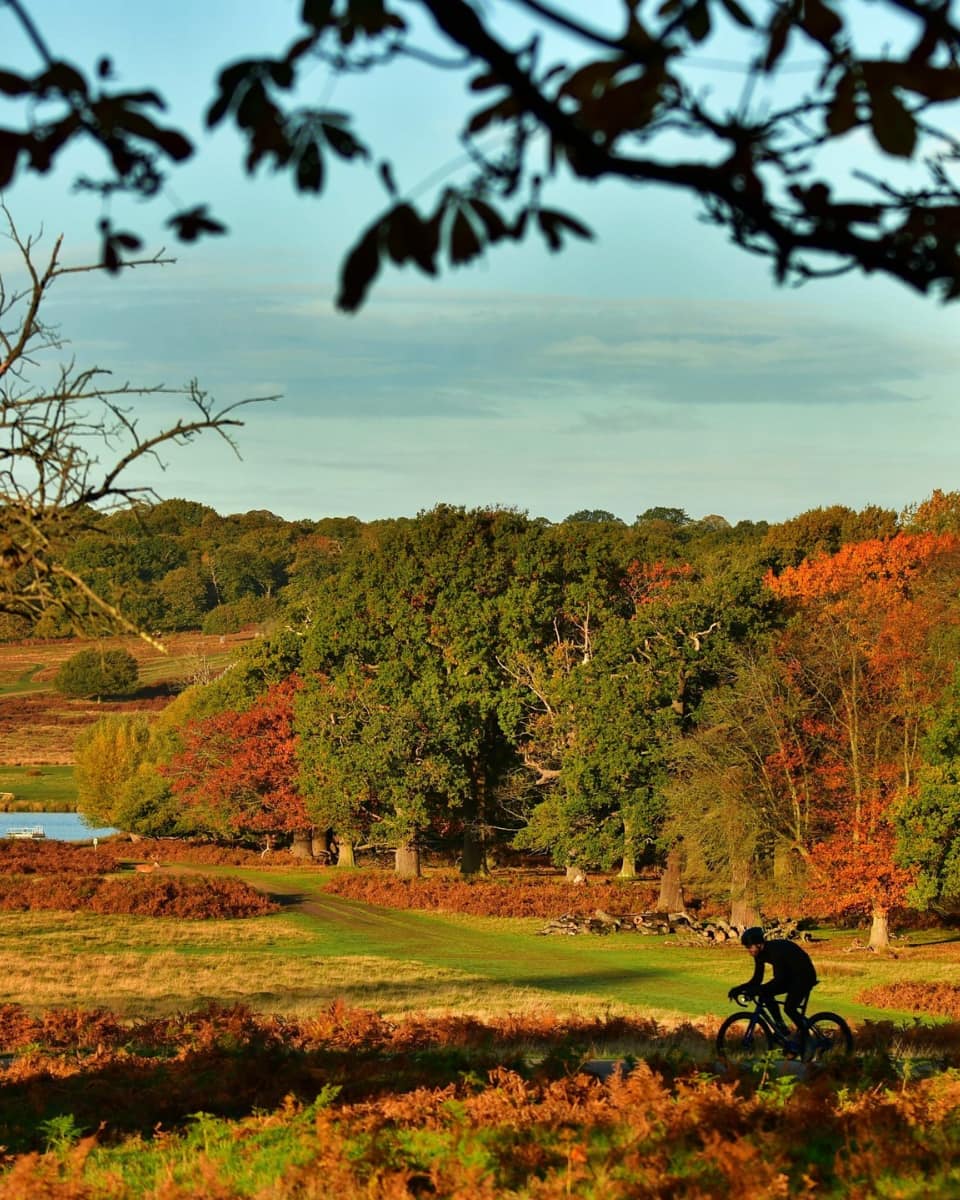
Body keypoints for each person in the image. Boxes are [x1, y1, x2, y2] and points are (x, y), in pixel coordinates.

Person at [729, 926, 817, 1046]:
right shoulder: (759, 954)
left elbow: (779, 979)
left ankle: (807, 1040)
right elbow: (757, 979)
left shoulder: (776, 951)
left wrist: (757, 990)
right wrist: (738, 989)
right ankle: (781, 1027)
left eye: (749, 947)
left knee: (789, 1008)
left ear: (759, 944)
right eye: (746, 947)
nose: (748, 950)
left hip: (804, 976)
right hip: (790, 976)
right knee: (765, 993)